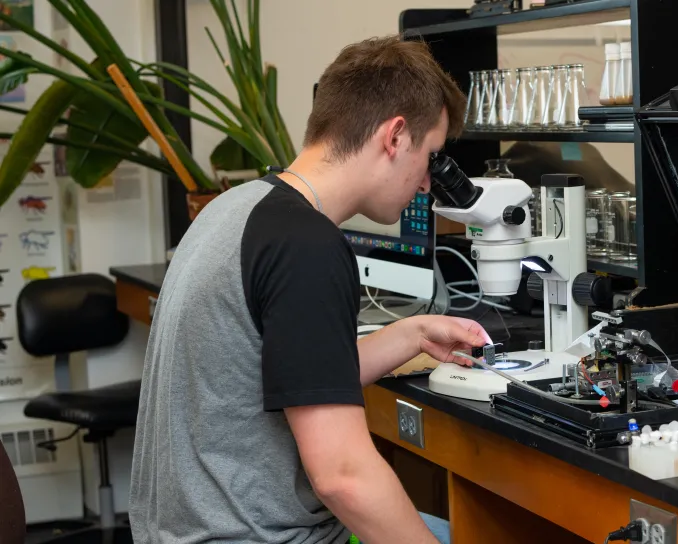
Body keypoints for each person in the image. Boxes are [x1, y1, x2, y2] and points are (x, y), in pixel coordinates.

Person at [129, 35, 489, 544]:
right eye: (430, 156)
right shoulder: (307, 245)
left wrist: (409, 334)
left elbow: (278, 374)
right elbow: (343, 478)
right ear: (395, 136)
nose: (428, 183)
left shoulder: (238, 208)